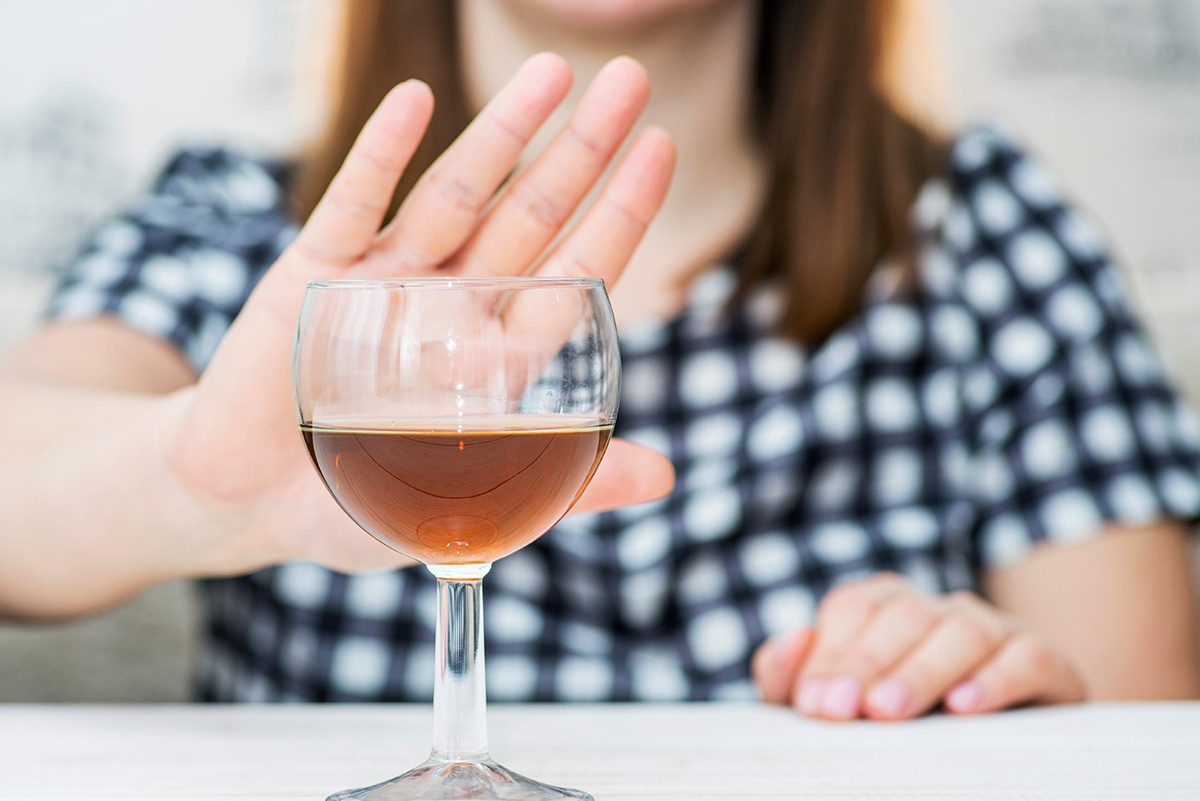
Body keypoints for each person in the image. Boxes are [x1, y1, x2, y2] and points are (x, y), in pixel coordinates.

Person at [2, 0, 1198, 720]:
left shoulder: (984, 233)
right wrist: (185, 486)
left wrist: (995, 692)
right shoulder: (234, 229)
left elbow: (1147, 725)